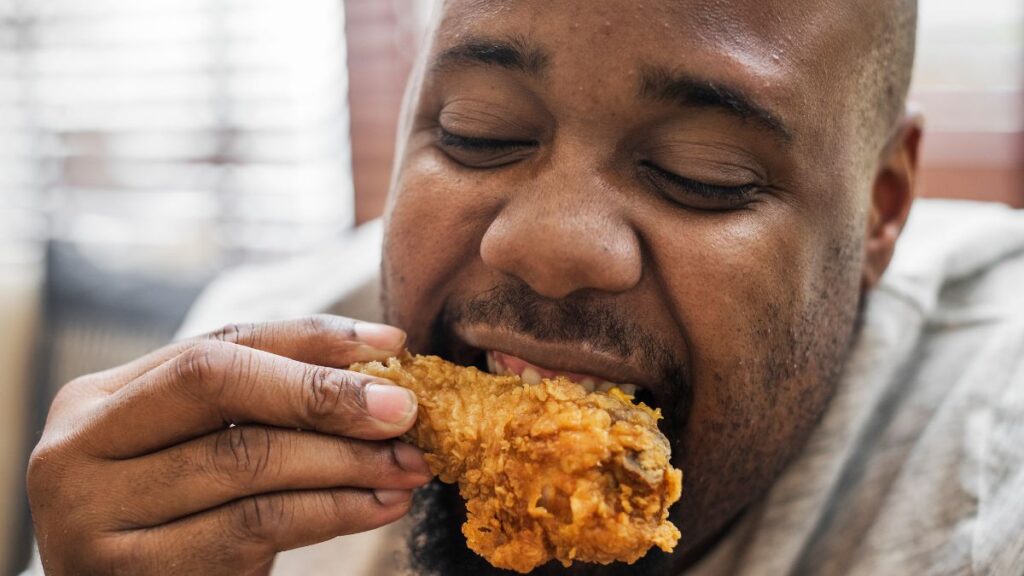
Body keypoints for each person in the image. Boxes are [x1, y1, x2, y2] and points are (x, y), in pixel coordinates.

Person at [23, 1, 1024, 575]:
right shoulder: (238, 399)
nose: (548, 248)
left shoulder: (992, 475)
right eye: (479, 132)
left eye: (701, 174)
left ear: (880, 208)